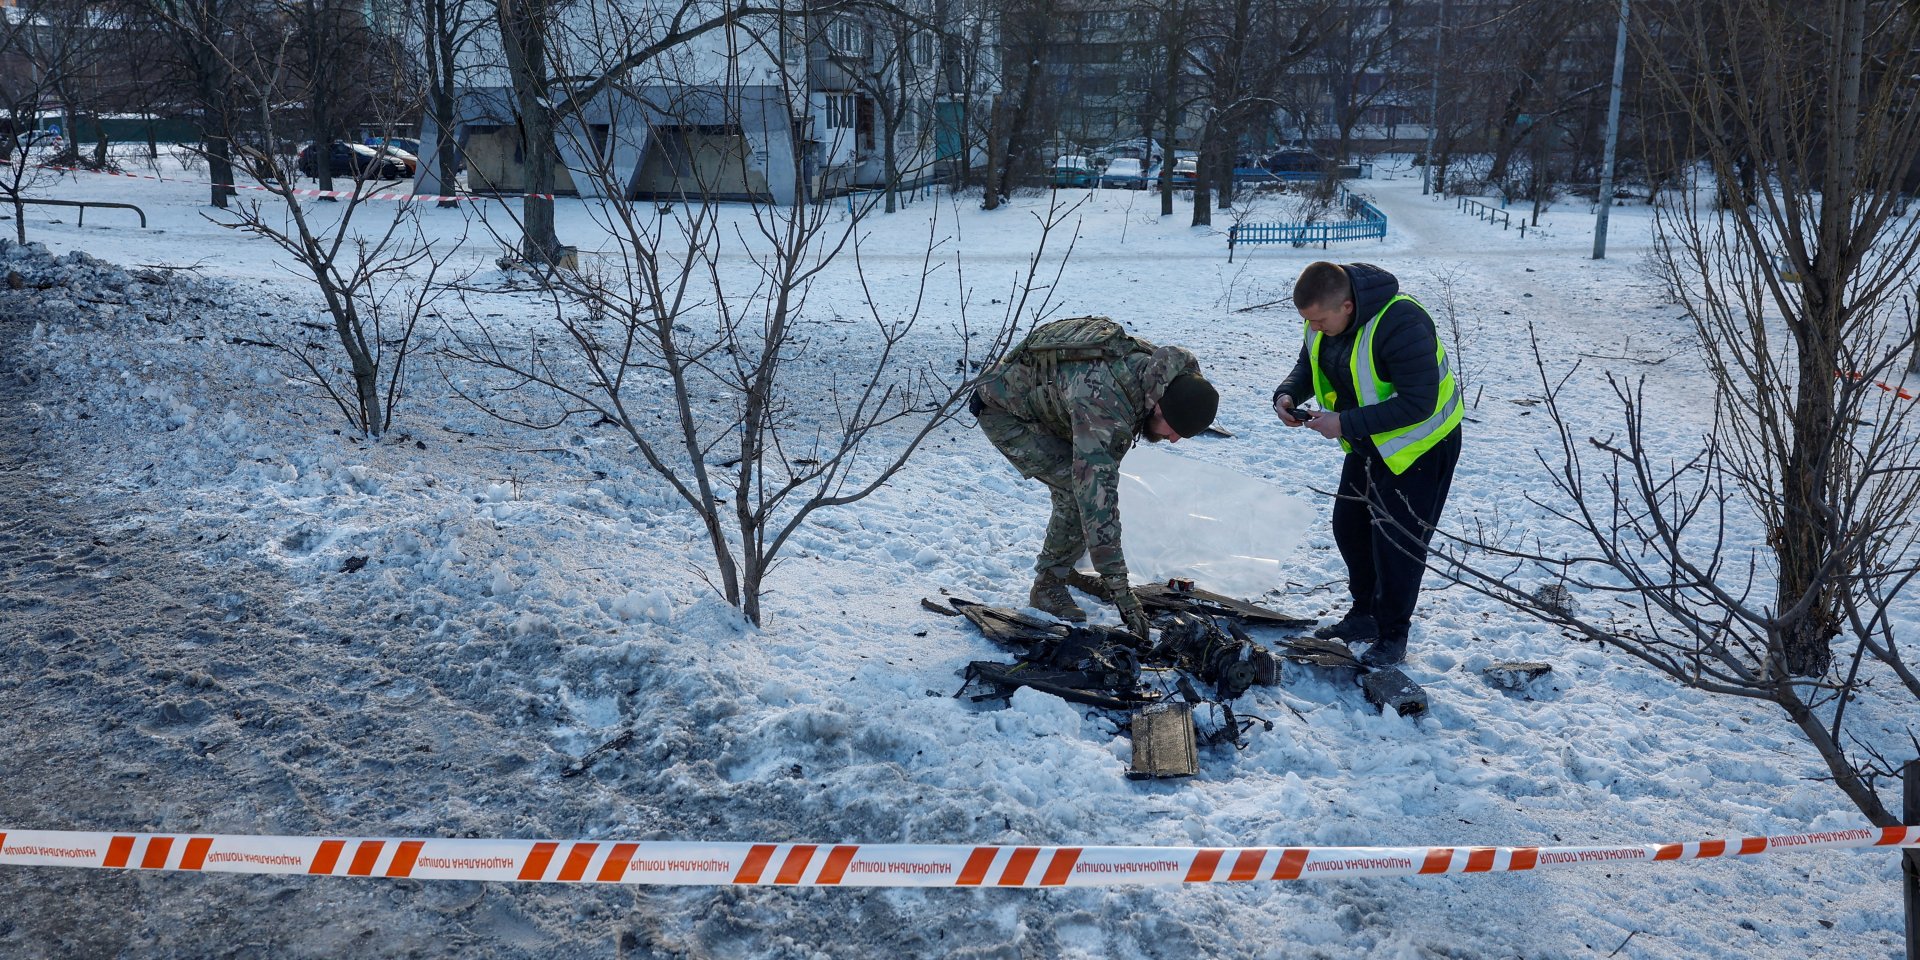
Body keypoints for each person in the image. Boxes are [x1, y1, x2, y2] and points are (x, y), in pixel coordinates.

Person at [972, 316, 1219, 638]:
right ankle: (1048, 585)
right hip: (1006, 412)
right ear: (1158, 408)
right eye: (1174, 431)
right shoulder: (1106, 404)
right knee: (1076, 493)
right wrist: (1122, 594)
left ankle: (1068, 567)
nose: (1173, 440)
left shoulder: (1160, 374)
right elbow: (1096, 499)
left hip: (1054, 402)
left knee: (1083, 485)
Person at [1271, 262, 1463, 666]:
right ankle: (1364, 615)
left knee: (1397, 543)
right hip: (1368, 442)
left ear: (1346, 305)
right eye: (1309, 321)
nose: (1314, 328)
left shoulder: (1401, 322)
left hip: (1422, 446)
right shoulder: (1323, 320)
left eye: (1320, 320)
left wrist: (1342, 422)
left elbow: (1418, 403)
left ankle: (1394, 634)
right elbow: (1310, 363)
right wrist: (1288, 393)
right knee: (1350, 526)